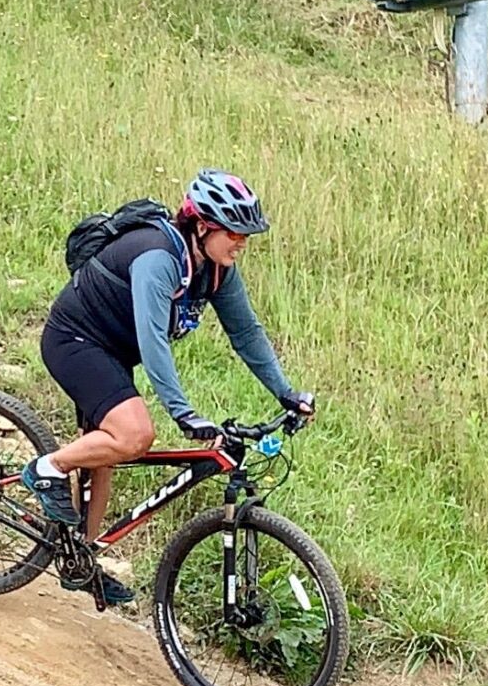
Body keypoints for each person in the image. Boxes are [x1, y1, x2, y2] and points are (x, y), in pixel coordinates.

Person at [25, 169, 314, 606]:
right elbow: (153, 341)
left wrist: (286, 393)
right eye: (234, 233)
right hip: (75, 340)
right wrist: (184, 413)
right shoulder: (158, 257)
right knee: (135, 435)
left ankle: (80, 559)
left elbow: (247, 334)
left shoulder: (217, 271)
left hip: (112, 354)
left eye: (246, 236)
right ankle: (46, 470)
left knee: (106, 451)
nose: (242, 243)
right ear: (202, 226)